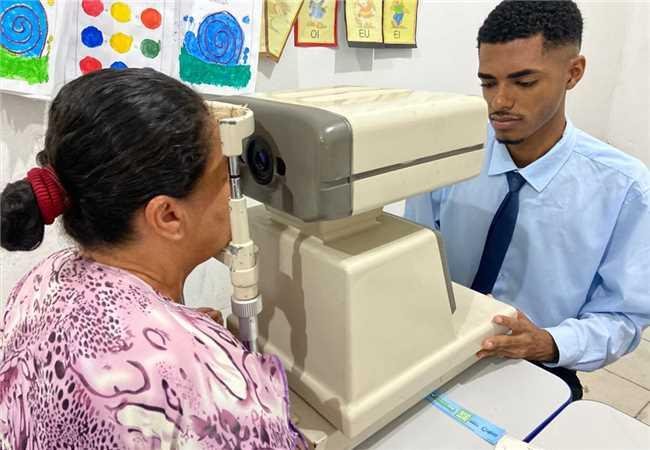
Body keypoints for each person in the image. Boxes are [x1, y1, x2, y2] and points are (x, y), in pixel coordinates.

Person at [0, 69, 305, 449]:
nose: (234, 188)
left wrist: (182, 329)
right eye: (222, 174)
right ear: (168, 216)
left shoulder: (43, 279)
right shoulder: (188, 378)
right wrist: (199, 356)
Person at [405, 0, 650, 401]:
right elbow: (414, 251)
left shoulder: (624, 188)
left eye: (523, 82)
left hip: (540, 365)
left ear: (573, 73)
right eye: (488, 82)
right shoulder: (449, 153)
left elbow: (622, 318)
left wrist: (548, 343)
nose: (499, 101)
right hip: (439, 347)